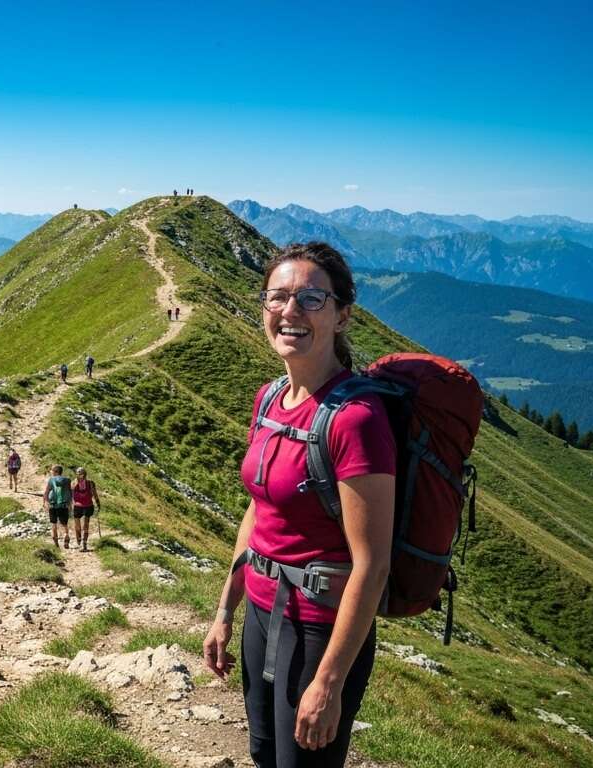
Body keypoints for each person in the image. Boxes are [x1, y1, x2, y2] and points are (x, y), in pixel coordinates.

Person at [203, 241, 395, 768]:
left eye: (311, 299)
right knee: (264, 754)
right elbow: (259, 511)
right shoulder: (269, 399)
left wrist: (329, 681)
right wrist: (225, 611)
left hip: (317, 628)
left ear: (342, 316)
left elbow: (372, 564)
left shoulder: (356, 419)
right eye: (278, 297)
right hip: (262, 616)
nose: (290, 312)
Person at [71, 467, 101, 551]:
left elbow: (71, 495)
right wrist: (98, 504)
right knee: (86, 525)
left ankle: (79, 541)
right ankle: (84, 543)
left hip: (78, 506)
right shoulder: (91, 483)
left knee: (77, 525)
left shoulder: (73, 483)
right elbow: (95, 494)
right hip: (88, 505)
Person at [43, 465, 72, 548]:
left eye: (52, 470)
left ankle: (56, 543)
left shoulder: (51, 480)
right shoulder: (67, 480)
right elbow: (70, 492)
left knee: (54, 524)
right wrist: (70, 504)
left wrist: (46, 502)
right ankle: (66, 536)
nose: (51, 472)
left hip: (53, 505)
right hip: (63, 505)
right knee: (64, 524)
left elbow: (47, 492)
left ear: (56, 471)